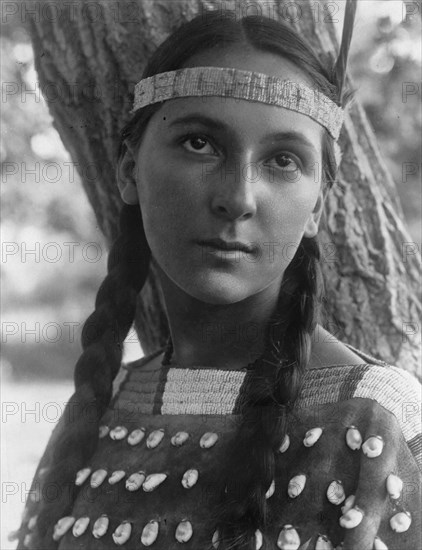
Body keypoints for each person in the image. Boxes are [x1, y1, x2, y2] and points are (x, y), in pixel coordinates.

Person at [13, 5, 421, 550]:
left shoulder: (374, 420)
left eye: (282, 159)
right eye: (200, 143)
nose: (238, 198)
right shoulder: (99, 407)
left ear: (319, 205)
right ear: (129, 169)